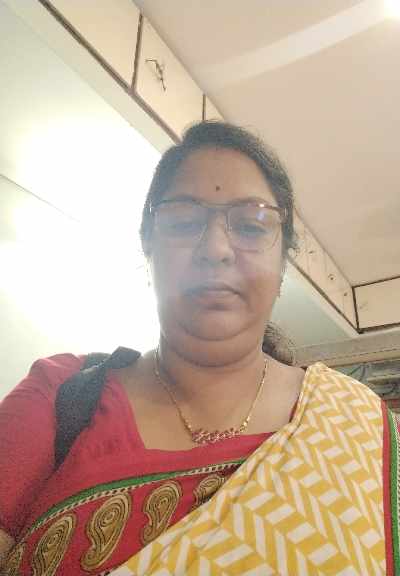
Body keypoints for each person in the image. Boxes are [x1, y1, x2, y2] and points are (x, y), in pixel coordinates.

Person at [0, 121, 397, 575]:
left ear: (282, 258)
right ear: (147, 244)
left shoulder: (358, 426)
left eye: (250, 226)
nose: (215, 248)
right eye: (185, 221)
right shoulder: (59, 394)